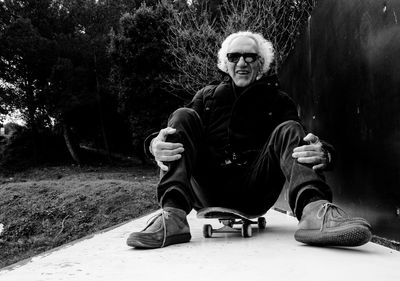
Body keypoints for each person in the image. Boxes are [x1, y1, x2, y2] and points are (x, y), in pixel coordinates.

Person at [127, 31, 372, 249]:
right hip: (209, 188)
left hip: (256, 188)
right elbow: (178, 132)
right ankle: (173, 216)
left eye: (249, 57)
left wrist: (326, 153)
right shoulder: (206, 96)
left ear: (261, 63)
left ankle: (314, 211)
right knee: (182, 116)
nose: (241, 62)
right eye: (234, 57)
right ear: (225, 63)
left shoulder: (278, 100)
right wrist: (152, 145)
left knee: (289, 128)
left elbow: (301, 140)